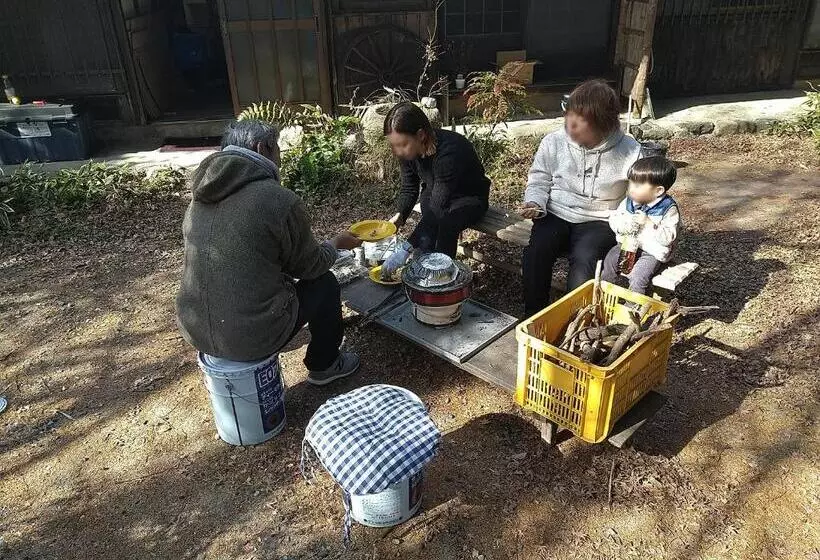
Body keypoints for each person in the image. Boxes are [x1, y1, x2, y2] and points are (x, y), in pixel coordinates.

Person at [176, 120, 363, 386]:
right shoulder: (278, 199)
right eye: (278, 150)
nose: (280, 158)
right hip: (248, 336)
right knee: (325, 284)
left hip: (195, 328)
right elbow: (310, 267)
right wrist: (336, 243)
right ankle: (326, 364)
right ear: (263, 148)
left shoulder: (200, 196)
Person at [520, 80, 641, 316]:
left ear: (604, 124)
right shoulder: (554, 141)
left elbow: (635, 199)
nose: (572, 128)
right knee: (536, 252)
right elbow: (539, 178)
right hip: (556, 211)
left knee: (584, 259)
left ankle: (573, 322)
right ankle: (534, 314)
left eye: (581, 123)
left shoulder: (630, 150)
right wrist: (535, 202)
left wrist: (626, 224)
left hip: (600, 218)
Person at [381, 102, 490, 277]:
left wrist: (405, 248)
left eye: (401, 144)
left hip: (470, 197)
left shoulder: (449, 153)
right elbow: (409, 187)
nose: (397, 151)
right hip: (437, 191)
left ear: (421, 135)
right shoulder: (407, 152)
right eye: (393, 145)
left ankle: (441, 276)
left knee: (446, 223)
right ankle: (424, 260)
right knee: (428, 214)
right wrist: (400, 214)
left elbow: (437, 209)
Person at [601, 156, 681, 294]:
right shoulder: (629, 202)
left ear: (658, 191)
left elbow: (668, 238)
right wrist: (623, 226)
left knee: (638, 277)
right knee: (610, 260)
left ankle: (633, 307)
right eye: (630, 183)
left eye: (637, 185)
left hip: (652, 251)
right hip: (629, 245)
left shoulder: (668, 209)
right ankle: (603, 294)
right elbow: (614, 218)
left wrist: (650, 224)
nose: (631, 189)